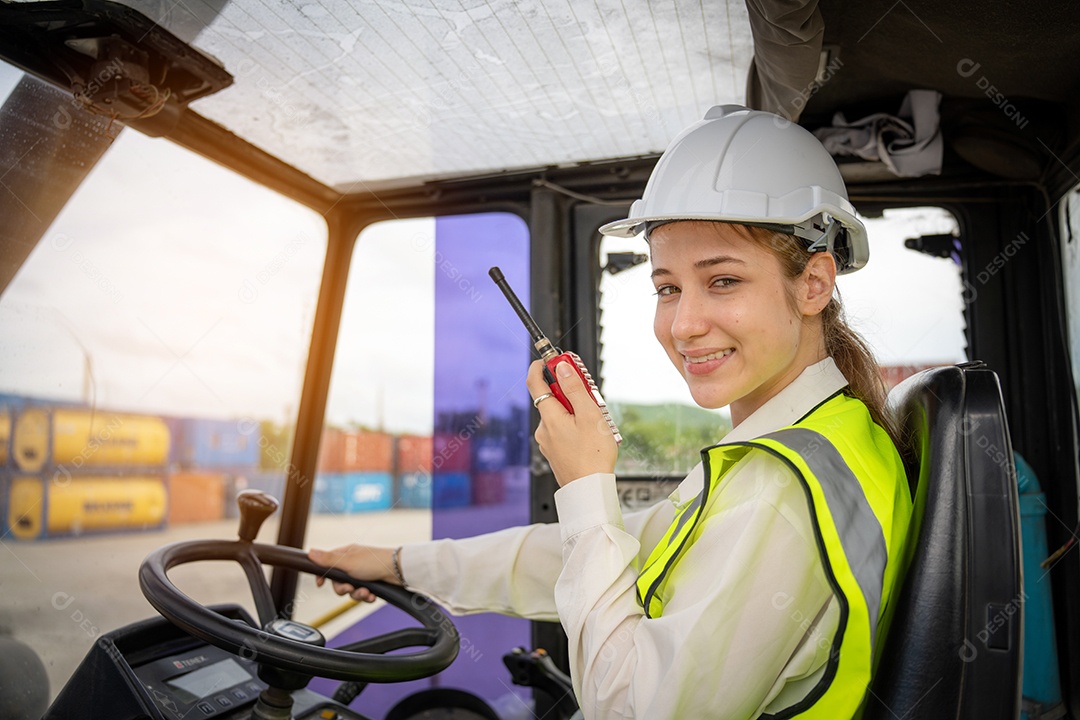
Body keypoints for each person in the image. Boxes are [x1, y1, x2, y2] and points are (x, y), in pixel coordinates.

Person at [309, 105, 913, 719]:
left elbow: (626, 710)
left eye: (724, 280)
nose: (683, 325)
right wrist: (399, 564)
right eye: (668, 287)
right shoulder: (815, 442)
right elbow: (598, 554)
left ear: (813, 284)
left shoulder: (781, 489)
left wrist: (585, 480)